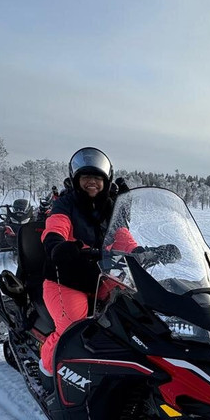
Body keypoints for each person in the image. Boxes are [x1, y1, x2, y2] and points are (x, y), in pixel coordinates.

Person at [40, 147, 133, 375]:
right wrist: (56, 244)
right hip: (65, 277)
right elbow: (56, 226)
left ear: (105, 181)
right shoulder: (65, 203)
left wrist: (141, 252)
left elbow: (121, 235)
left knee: (133, 308)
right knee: (72, 326)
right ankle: (47, 370)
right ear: (76, 180)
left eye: (97, 178)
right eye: (86, 177)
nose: (92, 182)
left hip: (101, 275)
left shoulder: (109, 206)